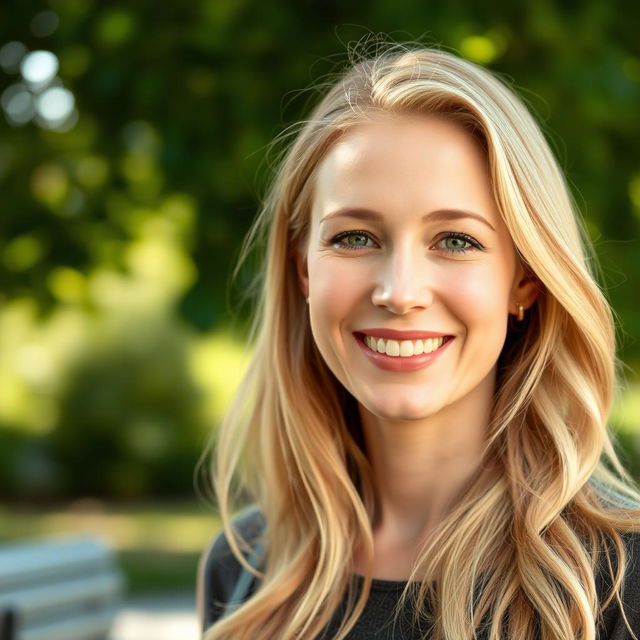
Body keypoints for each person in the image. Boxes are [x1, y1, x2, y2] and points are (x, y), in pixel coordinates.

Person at [196, 43, 640, 639]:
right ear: (304, 270)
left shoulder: (616, 581)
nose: (399, 292)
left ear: (526, 281)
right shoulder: (247, 571)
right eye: (354, 238)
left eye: (455, 241)